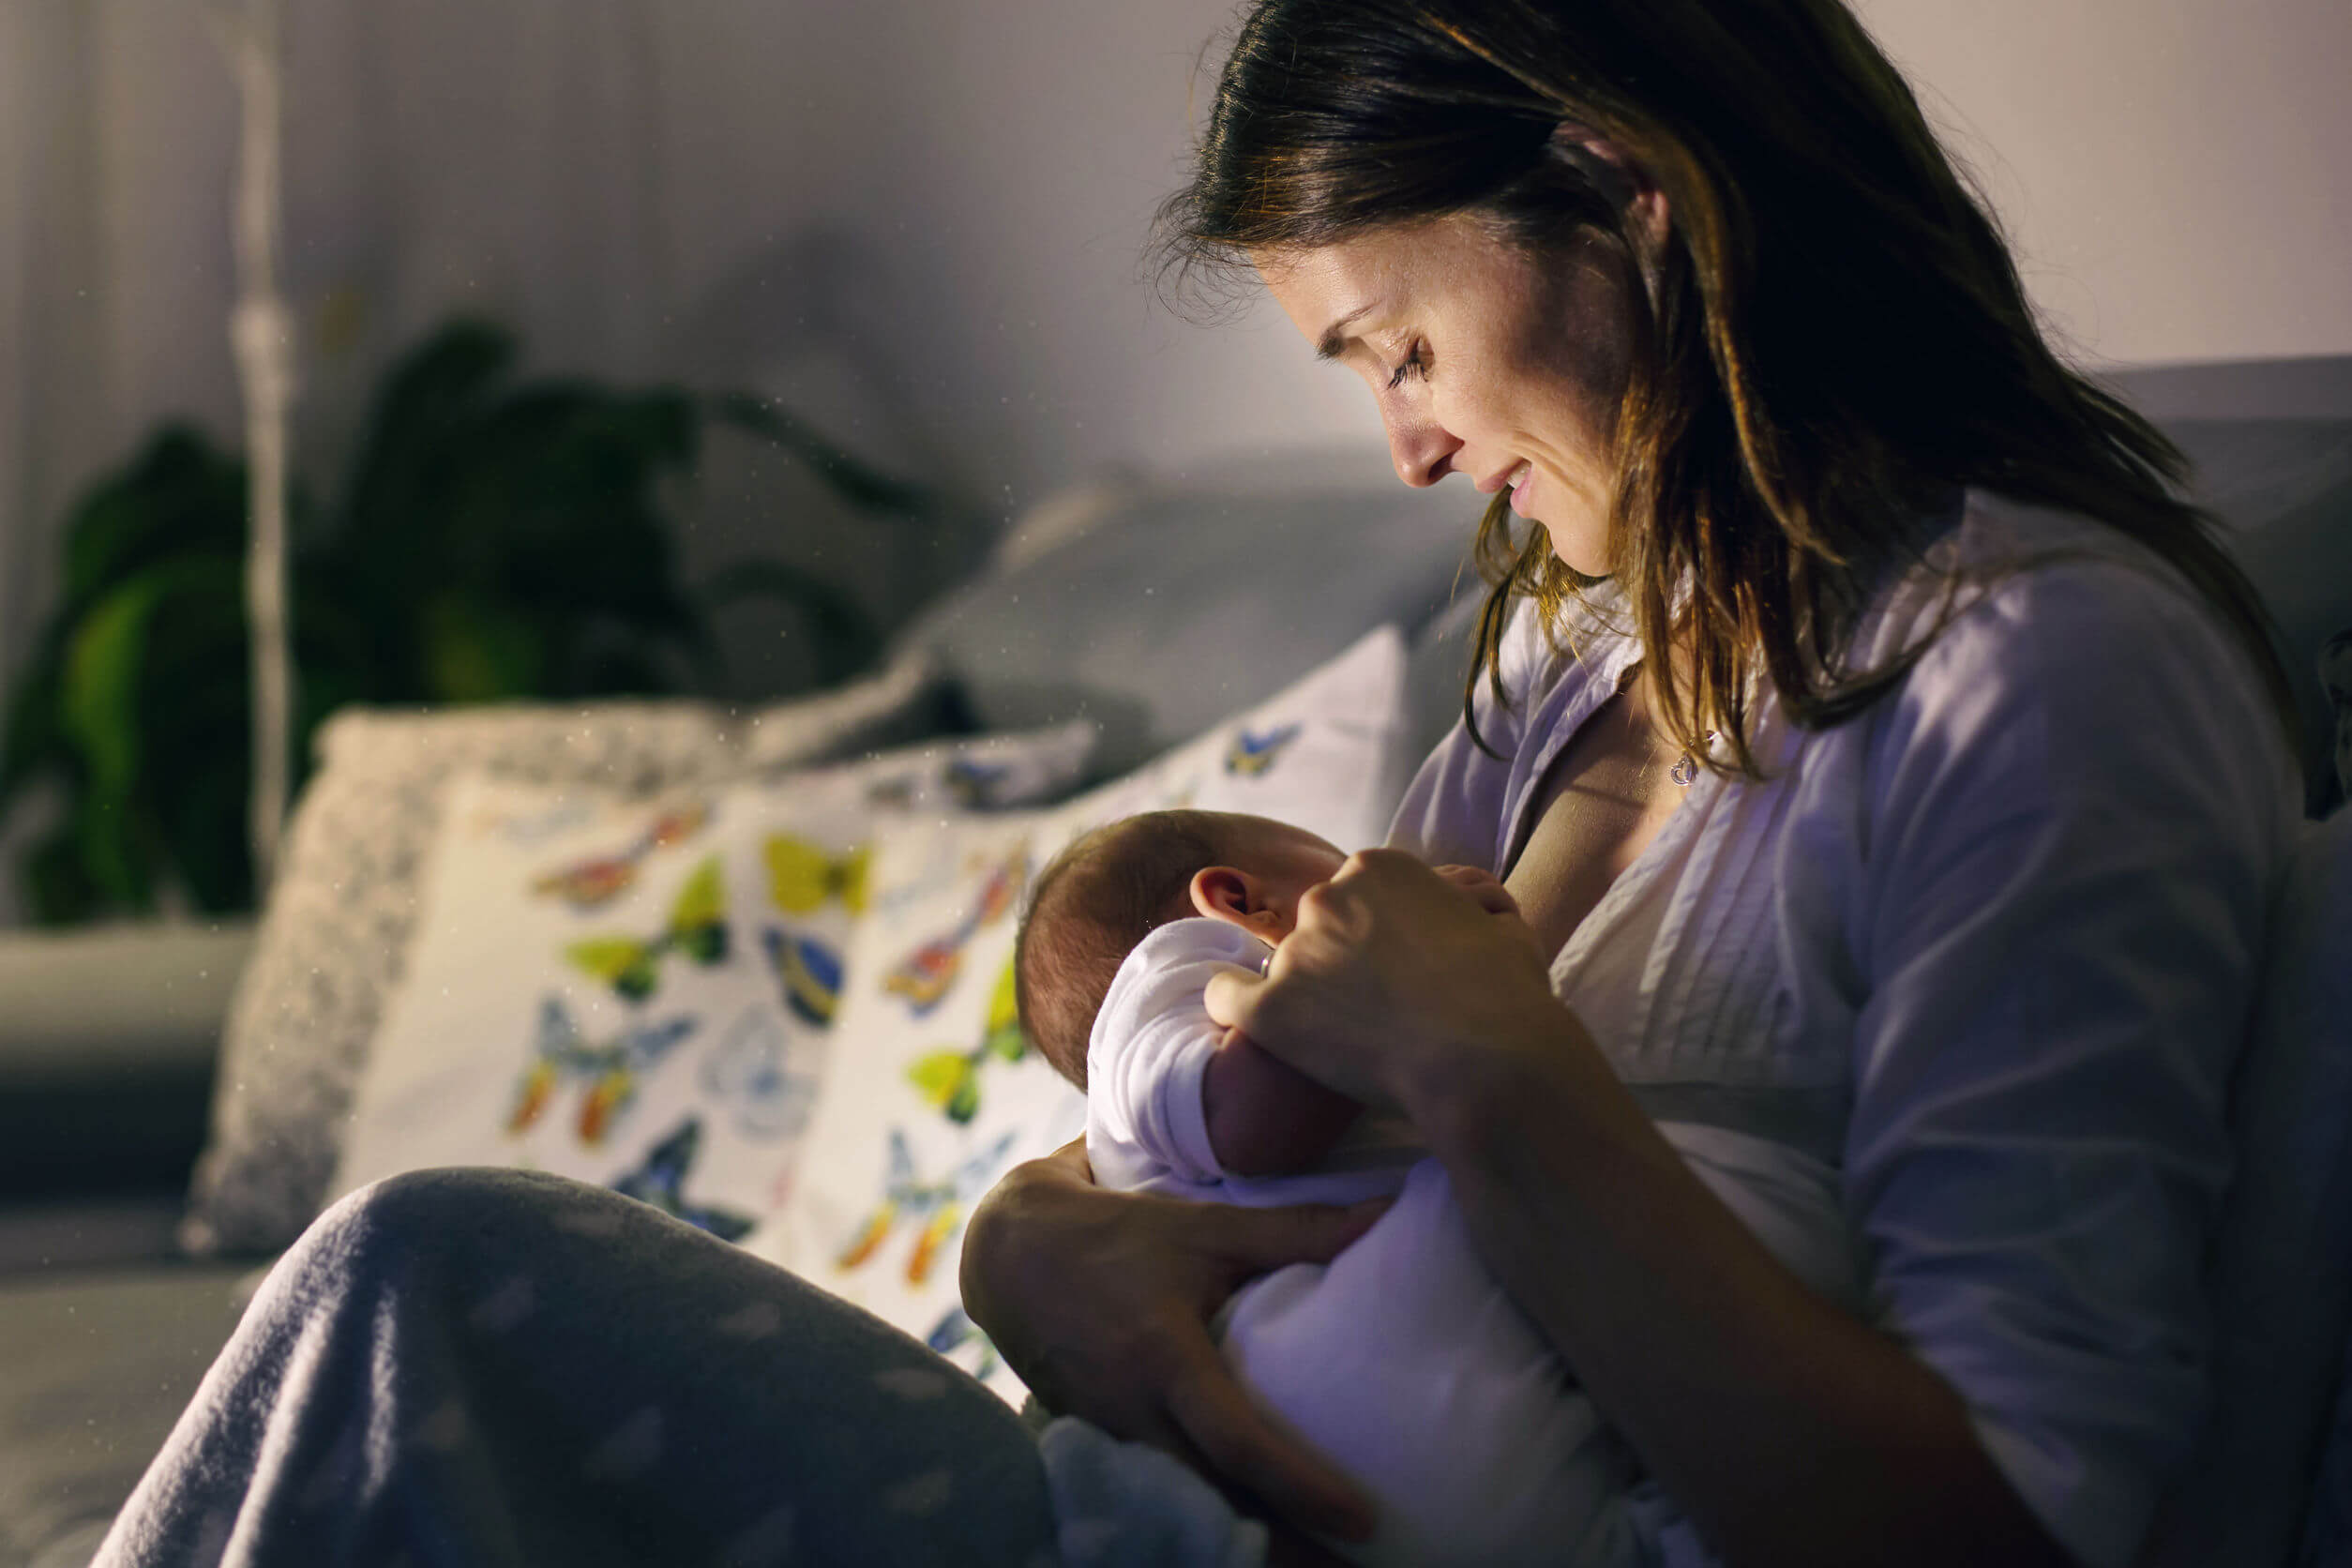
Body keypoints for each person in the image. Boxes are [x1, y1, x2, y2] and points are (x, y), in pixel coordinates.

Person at [94, 2, 2306, 1565]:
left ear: (1632, 198)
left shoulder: (2034, 682)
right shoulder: (1577, 649)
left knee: (433, 1291)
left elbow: (2001, 1516)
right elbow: (1234, 1119)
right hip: (1189, 1495)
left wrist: (1512, 1085)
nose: (1410, 447)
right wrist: (1021, 1239)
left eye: (1400, 347)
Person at [1015, 806, 1862, 1565]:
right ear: (1237, 901)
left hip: (1413, 1455)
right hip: (1374, 1416)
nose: (1390, 888)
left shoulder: (1157, 1123)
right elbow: (1251, 1118)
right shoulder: (1164, 986)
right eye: (1341, 869)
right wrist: (1420, 975)